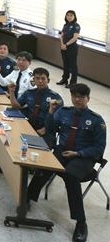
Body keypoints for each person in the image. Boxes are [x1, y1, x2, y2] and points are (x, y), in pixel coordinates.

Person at [26, 83, 106, 242]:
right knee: (46, 165)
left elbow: (99, 148)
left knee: (70, 175)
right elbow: (50, 130)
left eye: (81, 97)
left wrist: (78, 153)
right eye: (74, 96)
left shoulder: (97, 121)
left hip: (82, 157)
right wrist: (50, 113)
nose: (77, 100)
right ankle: (28, 197)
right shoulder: (63, 112)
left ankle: (81, 223)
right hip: (62, 151)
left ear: (88, 99)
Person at [58, 10, 81, 88]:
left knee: (73, 65)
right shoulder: (65, 25)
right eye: (67, 15)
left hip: (72, 47)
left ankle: (73, 82)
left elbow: (75, 38)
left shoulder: (76, 26)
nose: (69, 17)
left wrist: (66, 45)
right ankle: (64, 79)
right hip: (63, 47)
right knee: (65, 64)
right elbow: (61, 36)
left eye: (71, 15)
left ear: (74, 16)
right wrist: (62, 44)